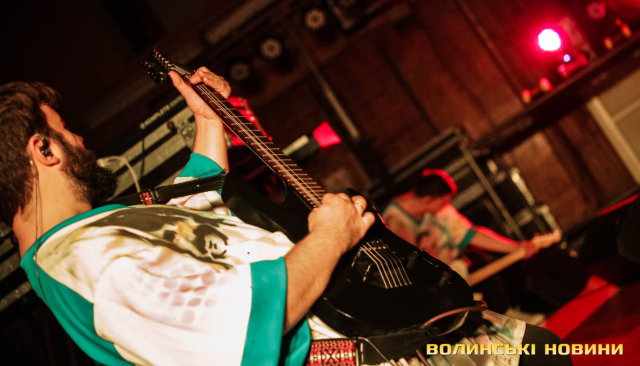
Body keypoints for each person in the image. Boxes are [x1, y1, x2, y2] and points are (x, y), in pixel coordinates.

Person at [0, 69, 570, 365]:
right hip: (371, 354)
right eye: (65, 132)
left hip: (400, 338)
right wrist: (331, 235)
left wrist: (210, 122)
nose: (83, 141)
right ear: (42, 151)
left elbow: (195, 209)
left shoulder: (93, 236)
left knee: (545, 354)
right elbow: (236, 328)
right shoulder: (90, 262)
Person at [382, 169, 539, 281]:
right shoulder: (394, 220)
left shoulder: (437, 210)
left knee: (476, 260)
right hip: (428, 286)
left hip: (452, 274)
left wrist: (516, 247)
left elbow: (471, 234)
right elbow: (412, 265)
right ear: (428, 199)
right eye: (442, 203)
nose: (446, 207)